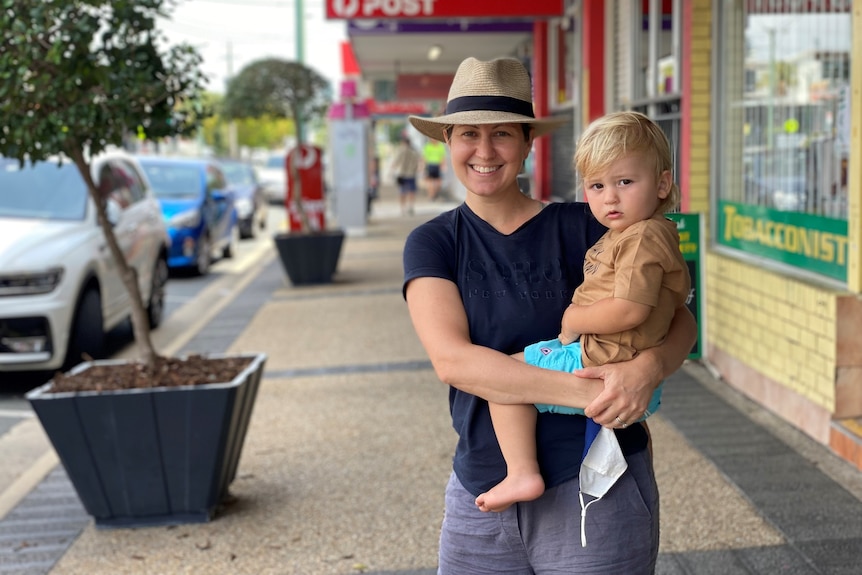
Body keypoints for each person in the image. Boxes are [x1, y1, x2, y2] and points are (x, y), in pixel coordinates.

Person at [404, 57, 696, 574]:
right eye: (469, 133)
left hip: (599, 481)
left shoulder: (595, 221)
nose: (485, 151)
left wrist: (646, 371)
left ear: (527, 143)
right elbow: (454, 362)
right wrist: (592, 393)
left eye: (503, 134)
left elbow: (682, 317)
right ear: (447, 142)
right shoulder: (435, 243)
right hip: (483, 486)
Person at [477, 111, 691, 528]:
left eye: (624, 182)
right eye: (597, 186)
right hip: (612, 364)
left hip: (598, 359)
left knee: (502, 381)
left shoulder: (641, 236)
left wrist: (575, 318)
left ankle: (522, 472)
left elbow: (632, 309)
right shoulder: (636, 231)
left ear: (662, 184)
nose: (610, 198)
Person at [390, 135, 421, 215]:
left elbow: (396, 162)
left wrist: (392, 170)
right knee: (411, 191)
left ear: (403, 143)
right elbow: (419, 161)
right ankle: (411, 207)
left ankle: (402, 208)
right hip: (411, 174)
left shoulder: (400, 151)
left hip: (402, 174)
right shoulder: (414, 151)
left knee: (402, 191)